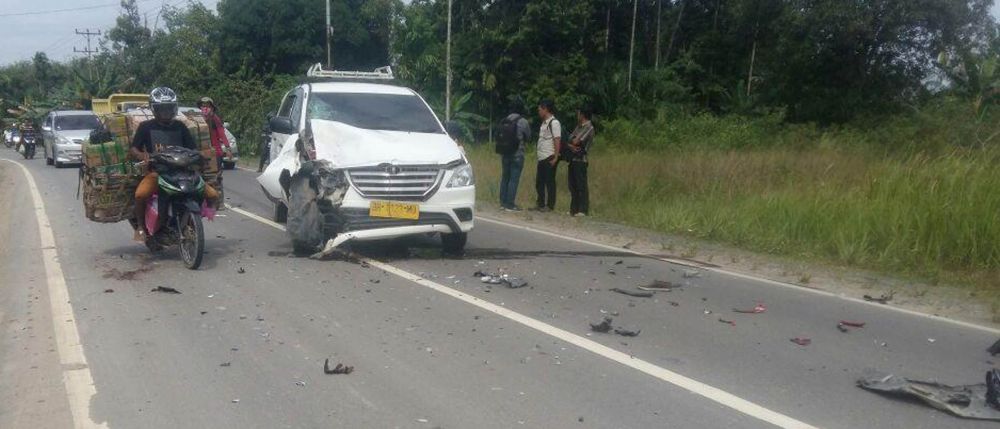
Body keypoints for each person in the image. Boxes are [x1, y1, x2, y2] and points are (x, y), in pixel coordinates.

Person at [131, 87, 219, 241]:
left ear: (174, 108)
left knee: (213, 195)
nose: (166, 112)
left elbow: (192, 148)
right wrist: (143, 155)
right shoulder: (146, 127)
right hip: (158, 172)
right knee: (140, 195)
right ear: (154, 109)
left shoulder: (180, 127)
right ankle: (140, 227)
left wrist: (200, 155)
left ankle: (193, 219)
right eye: (162, 109)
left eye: (169, 108)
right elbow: (133, 149)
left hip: (184, 171)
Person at [497, 99, 531, 211]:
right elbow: (528, 137)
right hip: (517, 154)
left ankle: (502, 203)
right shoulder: (523, 122)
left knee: (505, 177)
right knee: (513, 179)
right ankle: (510, 204)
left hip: (505, 154)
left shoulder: (504, 120)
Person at [567, 107, 595, 217]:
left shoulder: (589, 127)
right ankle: (573, 209)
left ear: (582, 115)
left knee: (581, 185)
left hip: (581, 159)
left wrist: (573, 142)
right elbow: (569, 139)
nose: (577, 116)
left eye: (578, 114)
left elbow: (577, 141)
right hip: (573, 158)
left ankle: (583, 210)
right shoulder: (578, 127)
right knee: (572, 185)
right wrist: (571, 144)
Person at [535, 99, 561, 212]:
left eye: (540, 109)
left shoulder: (554, 123)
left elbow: (557, 140)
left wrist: (556, 156)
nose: (539, 112)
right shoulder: (543, 123)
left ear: (545, 109)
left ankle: (550, 205)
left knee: (549, 182)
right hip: (541, 157)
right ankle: (540, 203)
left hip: (549, 156)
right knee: (539, 182)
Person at [197, 97, 233, 172]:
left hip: (215, 153)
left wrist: (228, 148)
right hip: (202, 153)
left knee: (215, 177)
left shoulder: (215, 119)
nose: (205, 108)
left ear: (212, 108)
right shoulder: (198, 120)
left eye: (208, 106)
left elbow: (222, 134)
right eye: (203, 106)